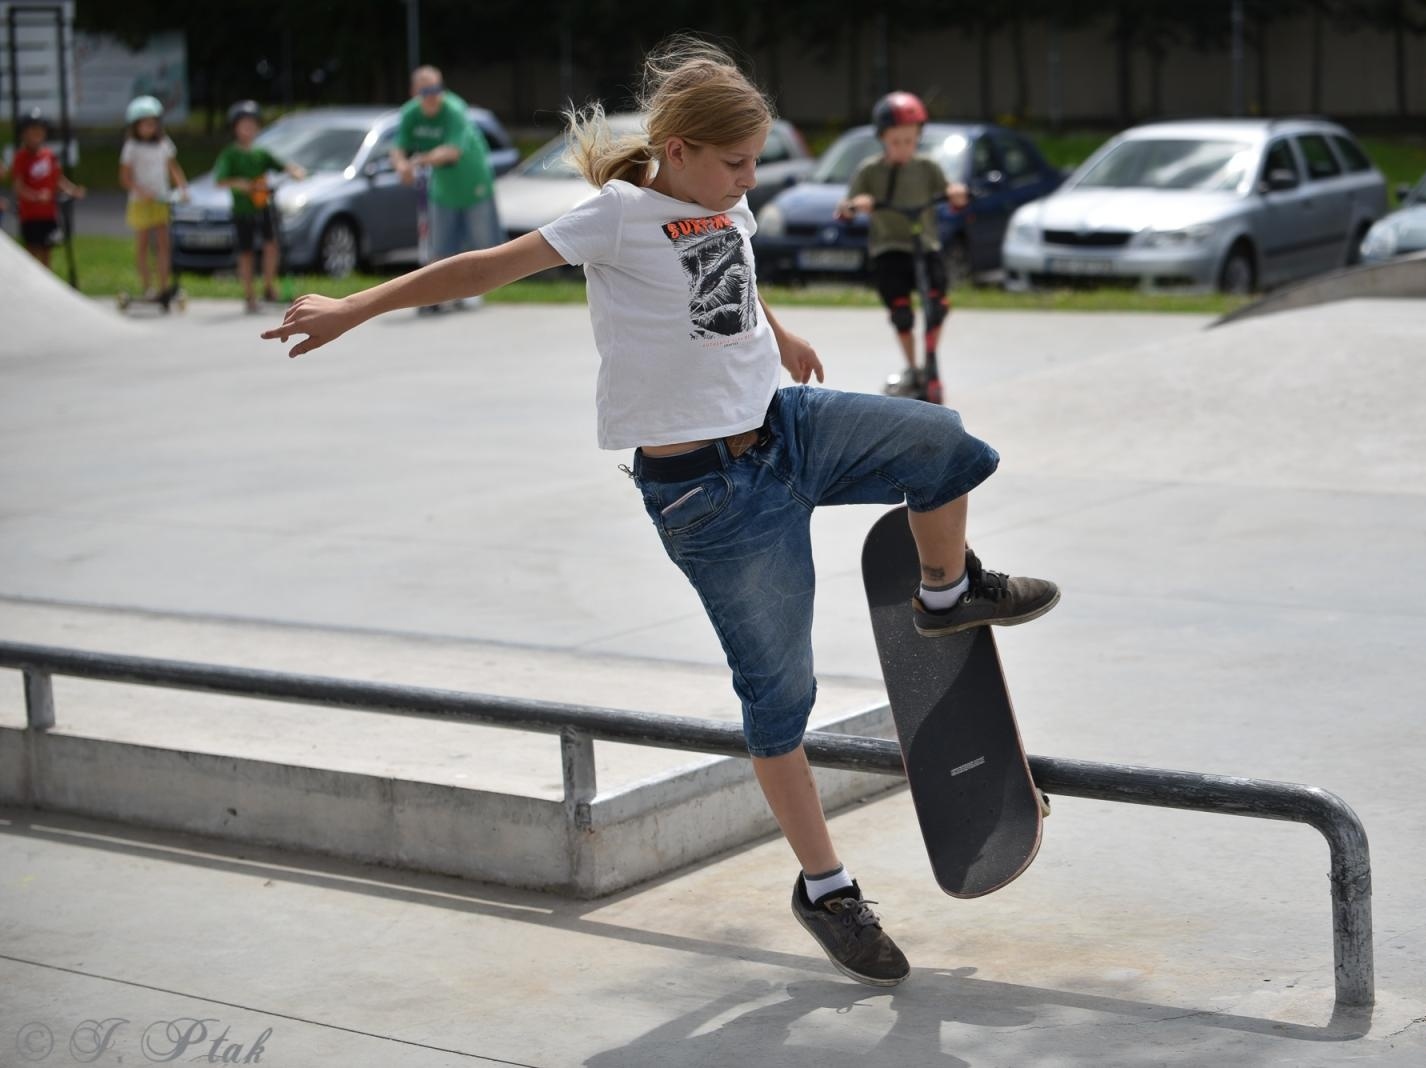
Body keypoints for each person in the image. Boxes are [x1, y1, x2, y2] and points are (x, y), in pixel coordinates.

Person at [263, 37, 1058, 989]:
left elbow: (726, 290)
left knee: (946, 446)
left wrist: (782, 330)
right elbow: (481, 267)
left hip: (785, 430)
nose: (747, 181)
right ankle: (827, 888)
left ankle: (944, 588)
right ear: (677, 148)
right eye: (734, 163)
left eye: (754, 165)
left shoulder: (725, 203)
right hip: (711, 498)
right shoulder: (617, 215)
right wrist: (357, 307)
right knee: (780, 703)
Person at [836, 92, 968, 397]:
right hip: (889, 248)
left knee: (937, 304)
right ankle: (912, 366)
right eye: (896, 142)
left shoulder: (926, 168)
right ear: (883, 139)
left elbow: (950, 191)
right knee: (902, 312)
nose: (904, 149)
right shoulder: (870, 171)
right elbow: (845, 207)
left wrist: (956, 193)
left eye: (910, 141)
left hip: (925, 243)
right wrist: (858, 204)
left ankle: (930, 359)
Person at [389, 66, 502, 313]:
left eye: (436, 89)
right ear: (414, 92)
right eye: (425, 91)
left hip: (473, 182)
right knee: (441, 244)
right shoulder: (410, 114)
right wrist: (401, 166)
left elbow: (451, 151)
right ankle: (438, 294)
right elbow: (398, 146)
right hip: (443, 188)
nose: (432, 96)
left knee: (479, 243)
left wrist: (417, 161)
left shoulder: (454, 110)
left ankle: (472, 291)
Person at [214, 100, 304, 313]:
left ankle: (268, 285)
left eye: (252, 125)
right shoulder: (230, 154)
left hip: (263, 206)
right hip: (243, 211)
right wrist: (241, 185)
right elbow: (220, 180)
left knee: (271, 245)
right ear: (235, 127)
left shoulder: (260, 153)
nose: (248, 129)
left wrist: (295, 171)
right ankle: (249, 294)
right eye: (244, 125)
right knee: (246, 252)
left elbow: (282, 165)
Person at [120, 95, 189, 299]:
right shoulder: (131, 147)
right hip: (140, 202)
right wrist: (141, 192)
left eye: (153, 123)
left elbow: (173, 168)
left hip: (160, 200)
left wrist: (183, 188)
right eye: (145, 124)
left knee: (163, 245)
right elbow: (124, 178)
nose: (149, 128)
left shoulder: (164, 144)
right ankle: (147, 287)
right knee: (142, 245)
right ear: (136, 126)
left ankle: (164, 286)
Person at [10, 109, 85, 270]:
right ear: (24, 134)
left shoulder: (49, 155)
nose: (37, 134)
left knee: (46, 250)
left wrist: (72, 190)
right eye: (32, 131)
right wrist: (35, 196)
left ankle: (44, 283)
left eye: (40, 131)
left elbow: (57, 179)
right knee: (32, 251)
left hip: (48, 213)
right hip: (30, 214)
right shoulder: (21, 157)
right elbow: (18, 185)